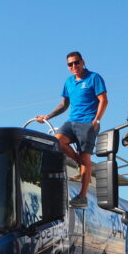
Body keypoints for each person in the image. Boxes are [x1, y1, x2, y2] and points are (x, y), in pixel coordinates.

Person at [35, 51, 108, 207]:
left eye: (76, 62)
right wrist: (47, 117)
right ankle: (79, 163)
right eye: (70, 64)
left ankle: (82, 196)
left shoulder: (94, 78)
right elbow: (64, 105)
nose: (74, 66)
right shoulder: (69, 82)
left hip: (88, 123)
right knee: (57, 141)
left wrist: (97, 120)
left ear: (83, 62)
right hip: (71, 122)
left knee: (85, 157)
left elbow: (104, 100)